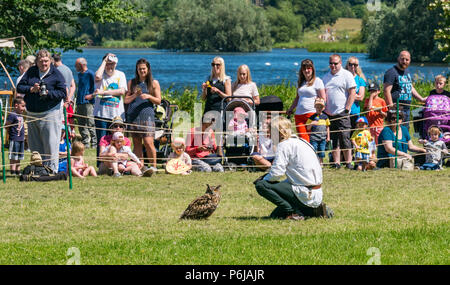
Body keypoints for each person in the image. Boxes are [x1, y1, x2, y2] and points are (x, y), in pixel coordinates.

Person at [254, 116, 333, 221]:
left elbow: (277, 173)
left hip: (305, 192)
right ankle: (313, 210)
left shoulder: (284, 145)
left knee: (261, 185)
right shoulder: (303, 142)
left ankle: (292, 212)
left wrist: (264, 179)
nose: (269, 136)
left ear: (277, 132)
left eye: (270, 132)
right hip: (316, 193)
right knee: (275, 216)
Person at [16, 49, 67, 172]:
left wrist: (48, 93)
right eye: (41, 61)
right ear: (37, 62)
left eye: (46, 61)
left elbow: (62, 93)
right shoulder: (31, 72)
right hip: (32, 113)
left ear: (50, 61)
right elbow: (19, 87)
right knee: (35, 144)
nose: (44, 64)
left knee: (50, 143)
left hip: (50, 113)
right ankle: (38, 168)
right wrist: (31, 89)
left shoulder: (56, 74)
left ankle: (52, 170)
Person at [86, 53, 127, 164]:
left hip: (116, 114)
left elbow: (122, 91)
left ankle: (119, 163)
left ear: (116, 64)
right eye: (108, 64)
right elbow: (97, 77)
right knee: (102, 140)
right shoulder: (101, 74)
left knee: (117, 139)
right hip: (101, 113)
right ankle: (101, 164)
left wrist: (103, 92)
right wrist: (105, 61)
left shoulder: (120, 75)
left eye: (112, 64)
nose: (110, 66)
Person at [124, 58, 161, 174]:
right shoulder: (132, 83)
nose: (142, 71)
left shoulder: (154, 83)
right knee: (137, 143)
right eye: (139, 69)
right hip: (134, 116)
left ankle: (153, 166)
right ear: (137, 70)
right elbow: (126, 100)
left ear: (148, 69)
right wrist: (135, 95)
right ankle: (141, 167)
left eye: (144, 69)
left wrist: (149, 97)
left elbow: (159, 100)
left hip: (147, 115)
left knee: (149, 142)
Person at [322, 54, 357, 169]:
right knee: (334, 139)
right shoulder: (325, 77)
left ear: (340, 63)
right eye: (331, 63)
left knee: (345, 137)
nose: (333, 66)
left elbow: (352, 93)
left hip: (342, 112)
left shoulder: (346, 75)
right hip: (329, 113)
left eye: (335, 63)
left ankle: (348, 162)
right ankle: (336, 163)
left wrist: (347, 108)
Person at [383, 50, 426, 130]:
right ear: (398, 59)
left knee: (404, 132)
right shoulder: (391, 72)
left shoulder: (407, 71)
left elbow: (410, 87)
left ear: (410, 60)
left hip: (407, 108)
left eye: (407, 60)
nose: (404, 61)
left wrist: (421, 99)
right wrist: (391, 107)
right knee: (395, 132)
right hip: (396, 109)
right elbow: (386, 91)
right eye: (402, 59)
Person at [287, 59, 326, 142]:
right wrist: (291, 109)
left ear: (312, 69)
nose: (306, 70)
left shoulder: (318, 81)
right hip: (299, 115)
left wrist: (320, 112)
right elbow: (298, 98)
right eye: (304, 69)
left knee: (312, 139)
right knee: (302, 139)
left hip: (311, 114)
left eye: (309, 68)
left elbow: (323, 98)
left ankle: (314, 155)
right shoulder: (301, 82)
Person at [74, 57, 97, 149]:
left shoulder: (90, 74)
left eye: (76, 66)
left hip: (88, 102)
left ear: (81, 65)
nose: (75, 67)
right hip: (80, 101)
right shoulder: (80, 74)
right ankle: (85, 142)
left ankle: (94, 143)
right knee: (81, 123)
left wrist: (91, 96)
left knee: (90, 122)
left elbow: (95, 87)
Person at [53, 54, 76, 138]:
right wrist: (70, 97)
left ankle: (62, 139)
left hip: (63, 100)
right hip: (69, 100)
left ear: (53, 61)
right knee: (70, 119)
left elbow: (64, 87)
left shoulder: (57, 70)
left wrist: (66, 99)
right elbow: (73, 85)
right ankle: (70, 135)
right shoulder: (68, 69)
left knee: (63, 120)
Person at [306, 97, 330, 166]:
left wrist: (328, 137)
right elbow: (308, 128)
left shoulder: (325, 117)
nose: (319, 108)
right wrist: (311, 124)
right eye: (317, 107)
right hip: (314, 138)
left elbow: (327, 127)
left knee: (322, 151)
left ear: (324, 108)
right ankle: (314, 163)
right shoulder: (312, 117)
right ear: (315, 107)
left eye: (321, 107)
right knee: (314, 150)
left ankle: (321, 163)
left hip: (323, 138)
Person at [5, 98, 26, 175]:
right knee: (13, 156)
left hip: (21, 139)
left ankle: (18, 170)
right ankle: (13, 171)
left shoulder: (20, 115)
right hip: (14, 139)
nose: (24, 108)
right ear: (16, 105)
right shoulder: (12, 115)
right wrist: (10, 133)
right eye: (22, 106)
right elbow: (7, 125)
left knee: (19, 156)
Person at [345, 56, 366, 130]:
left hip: (354, 111)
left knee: (353, 133)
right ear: (347, 65)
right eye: (351, 64)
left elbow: (361, 97)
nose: (353, 66)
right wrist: (354, 95)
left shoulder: (360, 80)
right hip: (342, 111)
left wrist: (349, 93)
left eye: (355, 65)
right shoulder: (343, 77)